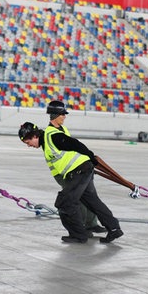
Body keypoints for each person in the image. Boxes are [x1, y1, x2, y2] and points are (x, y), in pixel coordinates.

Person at [18, 122, 123, 244]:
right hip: (83, 170)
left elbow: (74, 143)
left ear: (34, 136)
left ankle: (79, 235)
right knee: (93, 202)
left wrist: (91, 157)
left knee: (64, 202)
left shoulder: (50, 137)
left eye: (27, 142)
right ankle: (114, 228)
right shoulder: (45, 144)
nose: (28, 146)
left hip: (79, 170)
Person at [46, 100, 107, 236]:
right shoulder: (50, 133)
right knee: (78, 199)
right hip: (64, 173)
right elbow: (71, 146)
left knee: (90, 196)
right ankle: (82, 228)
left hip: (76, 169)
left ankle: (91, 224)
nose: (65, 116)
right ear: (55, 115)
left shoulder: (62, 129)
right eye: (62, 114)